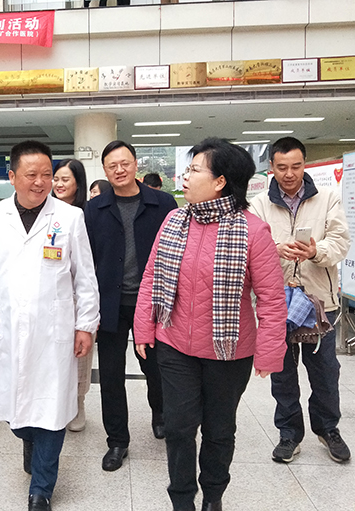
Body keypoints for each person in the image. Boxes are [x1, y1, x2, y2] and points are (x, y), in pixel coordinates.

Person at [134, 138, 287, 511]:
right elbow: (152, 276)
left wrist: (270, 351)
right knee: (179, 427)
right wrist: (144, 327)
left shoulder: (253, 231)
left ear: (220, 181)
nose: (184, 177)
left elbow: (271, 297)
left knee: (219, 431)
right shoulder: (174, 221)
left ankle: (213, 495)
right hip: (174, 345)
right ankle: (182, 499)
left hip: (229, 353)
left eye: (194, 170)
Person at [0, 140, 99, 511]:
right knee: (15, 412)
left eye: (46, 175)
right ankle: (29, 438)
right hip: (4, 329)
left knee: (53, 408)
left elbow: (85, 277)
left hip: (55, 331)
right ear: (12, 177)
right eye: (31, 174)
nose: (40, 182)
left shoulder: (70, 217)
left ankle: (42, 487)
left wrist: (86, 325)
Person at [250, 136, 352, 464]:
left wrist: (315, 251)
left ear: (304, 164)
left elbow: (340, 241)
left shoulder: (328, 198)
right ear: (271, 167)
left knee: (324, 371)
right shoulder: (259, 204)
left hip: (320, 301)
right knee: (282, 372)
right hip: (276, 302)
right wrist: (275, 249)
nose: (289, 174)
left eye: (296, 166)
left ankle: (328, 429)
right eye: (282, 167)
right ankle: (289, 433)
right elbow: (250, 246)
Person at [84, 140, 177, 472]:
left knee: (156, 368)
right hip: (109, 303)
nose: (119, 170)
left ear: (136, 164)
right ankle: (117, 441)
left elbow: (175, 253)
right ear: (105, 170)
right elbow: (86, 261)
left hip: (151, 303)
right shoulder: (94, 209)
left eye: (125, 163)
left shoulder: (163, 204)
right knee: (110, 376)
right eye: (112, 166)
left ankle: (160, 412)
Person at [52, 158, 92, 432]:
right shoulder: (45, 212)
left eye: (65, 179)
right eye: (56, 179)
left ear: (78, 183)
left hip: (79, 297)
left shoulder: (87, 215)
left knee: (80, 355)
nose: (58, 184)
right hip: (51, 296)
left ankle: (78, 402)